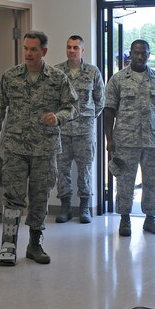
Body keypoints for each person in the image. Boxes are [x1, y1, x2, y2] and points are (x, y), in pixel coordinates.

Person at [0, 31, 77, 266]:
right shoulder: (11, 76)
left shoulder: (57, 78)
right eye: (25, 48)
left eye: (33, 49)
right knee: (12, 197)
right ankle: (8, 245)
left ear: (44, 51)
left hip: (45, 149)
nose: (28, 53)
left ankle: (35, 244)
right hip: (15, 148)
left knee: (39, 197)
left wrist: (58, 117)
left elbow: (72, 107)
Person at [103, 39, 155, 237]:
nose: (140, 56)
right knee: (125, 182)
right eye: (136, 53)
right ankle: (124, 219)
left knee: (152, 181)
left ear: (148, 54)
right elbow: (108, 111)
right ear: (130, 54)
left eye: (144, 53)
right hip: (125, 141)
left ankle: (150, 219)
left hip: (152, 141)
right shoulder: (118, 79)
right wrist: (109, 139)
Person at [53, 35, 104, 224]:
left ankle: (84, 208)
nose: (72, 50)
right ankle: (65, 207)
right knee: (62, 170)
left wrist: (88, 117)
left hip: (84, 131)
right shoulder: (57, 72)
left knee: (85, 170)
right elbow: (52, 99)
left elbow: (100, 100)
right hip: (63, 131)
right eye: (69, 47)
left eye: (75, 47)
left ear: (82, 50)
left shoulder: (92, 71)